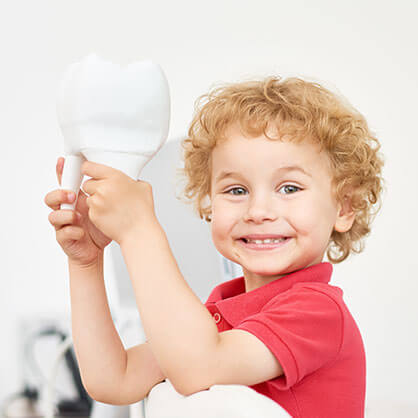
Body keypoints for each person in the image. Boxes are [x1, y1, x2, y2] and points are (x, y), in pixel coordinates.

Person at [44, 75, 384, 417]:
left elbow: (199, 367)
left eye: (289, 188)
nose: (258, 212)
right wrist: (87, 263)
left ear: (344, 208)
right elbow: (114, 379)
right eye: (236, 190)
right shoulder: (217, 318)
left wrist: (139, 231)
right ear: (209, 205)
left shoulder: (319, 313)